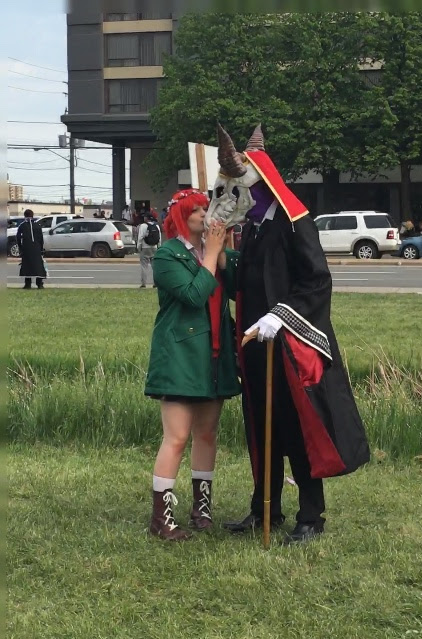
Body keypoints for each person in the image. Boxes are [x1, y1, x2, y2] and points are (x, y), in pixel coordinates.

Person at [206, 124, 370, 545]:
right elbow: (251, 278)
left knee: (297, 428)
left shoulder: (296, 223)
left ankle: (311, 516)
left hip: (292, 344)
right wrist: (219, 258)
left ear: (258, 187)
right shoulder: (256, 227)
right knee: (262, 429)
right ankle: (266, 507)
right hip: (257, 346)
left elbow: (318, 281)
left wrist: (280, 315)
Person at [144, 188, 241, 541]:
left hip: (215, 354)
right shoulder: (168, 255)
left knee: (206, 434)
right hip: (180, 357)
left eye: (205, 208)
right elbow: (192, 294)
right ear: (181, 218)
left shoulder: (212, 250)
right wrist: (212, 254)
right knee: (178, 436)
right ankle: (161, 518)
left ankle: (202, 508)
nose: (205, 214)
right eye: (197, 210)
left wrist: (223, 254)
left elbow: (237, 288)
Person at [16, 209, 47, 290]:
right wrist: (41, 248)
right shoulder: (37, 225)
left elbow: (18, 238)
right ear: (32, 215)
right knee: (38, 266)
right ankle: (39, 284)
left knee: (27, 265)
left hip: (26, 249)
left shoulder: (22, 226)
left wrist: (20, 248)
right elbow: (41, 238)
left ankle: (28, 284)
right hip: (36, 248)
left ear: (25, 216)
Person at [137, 212, 161, 288]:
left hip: (145, 247)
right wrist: (159, 247)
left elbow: (140, 237)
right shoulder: (157, 226)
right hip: (154, 248)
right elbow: (159, 238)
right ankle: (155, 283)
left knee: (144, 266)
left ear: (146, 218)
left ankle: (144, 283)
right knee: (155, 267)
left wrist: (138, 247)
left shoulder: (143, 226)